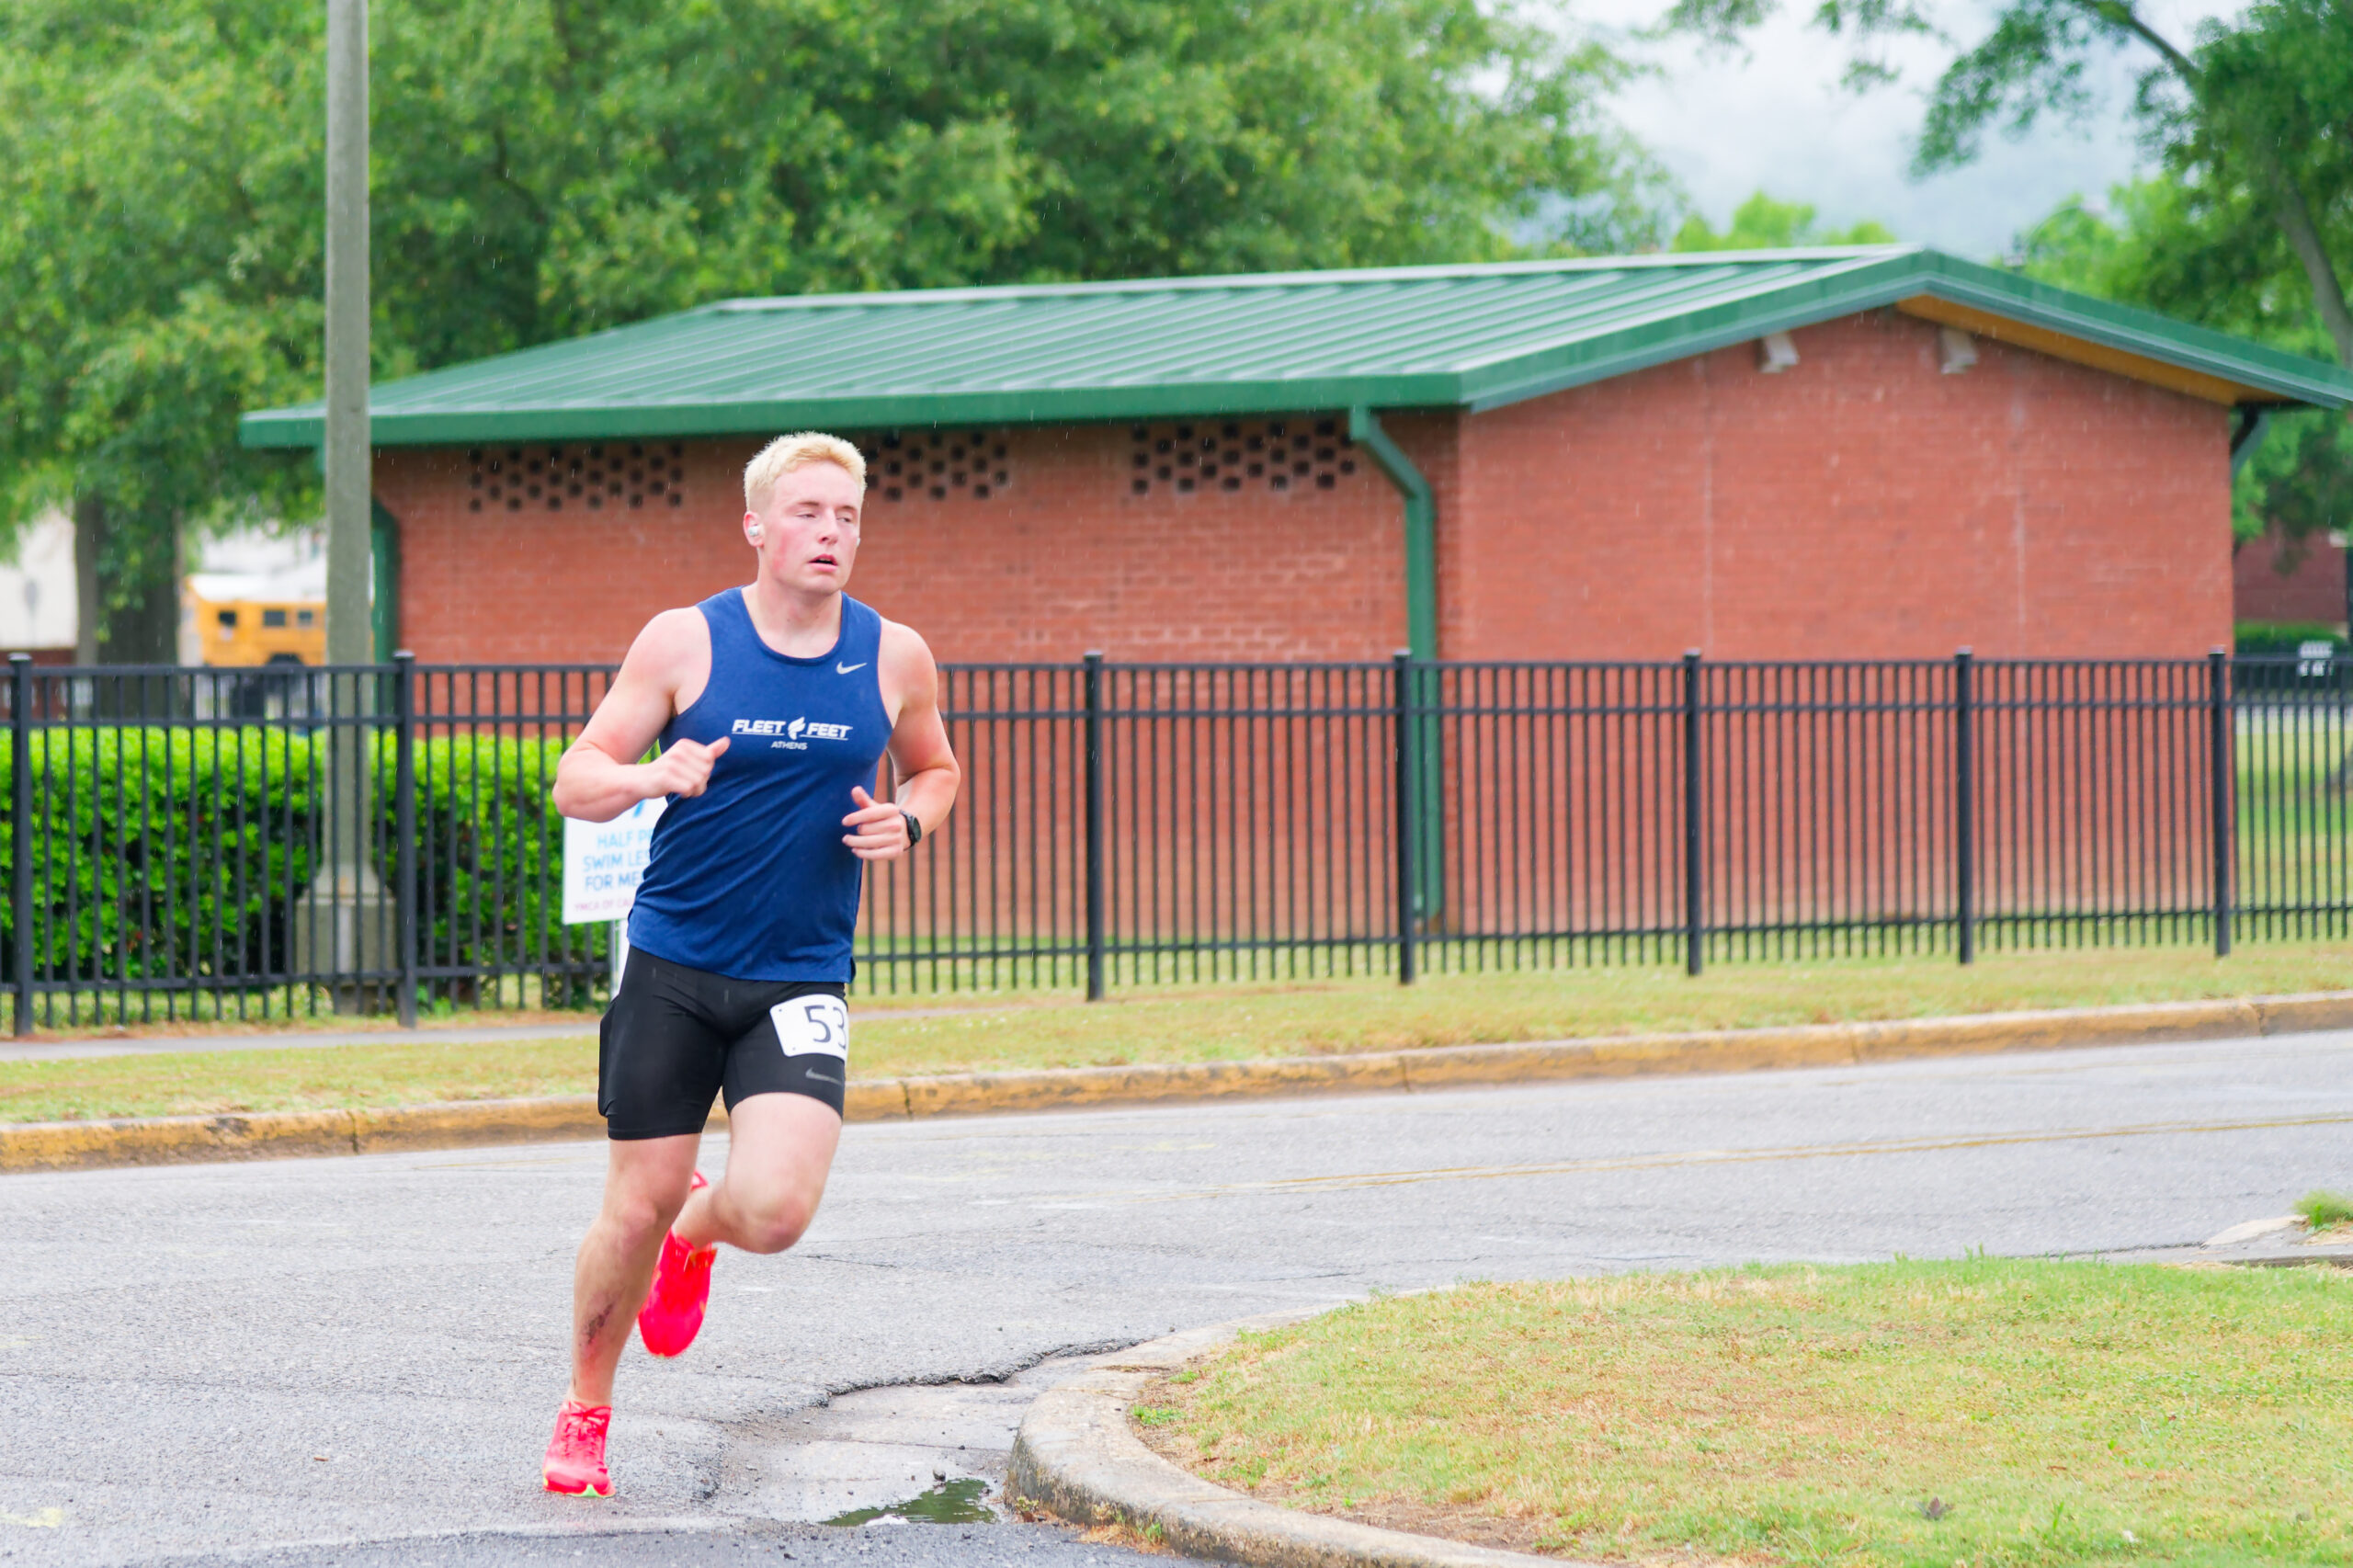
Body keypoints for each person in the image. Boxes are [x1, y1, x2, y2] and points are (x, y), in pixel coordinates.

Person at [540, 431, 961, 1497]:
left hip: (801, 974)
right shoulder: (686, 641)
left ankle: (699, 1228)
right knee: (625, 1210)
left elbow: (938, 769)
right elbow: (574, 777)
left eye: (848, 516)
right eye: (810, 512)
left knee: (773, 1210)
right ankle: (586, 1406)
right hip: (674, 966)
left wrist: (909, 820)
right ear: (758, 525)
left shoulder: (893, 653)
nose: (831, 533)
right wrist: (649, 775)